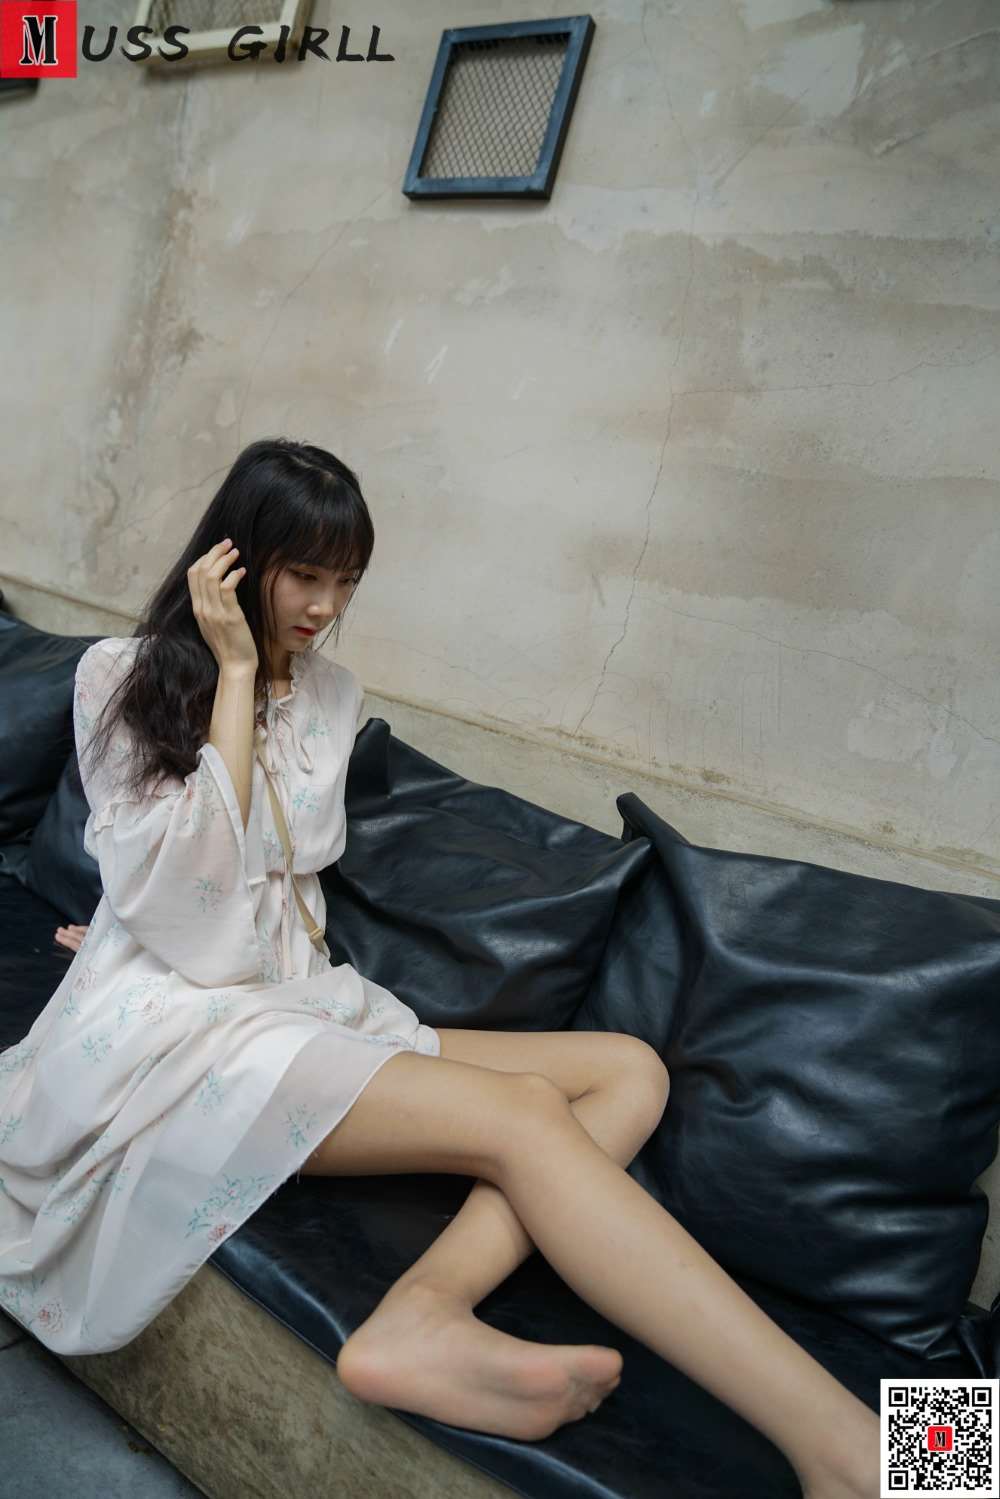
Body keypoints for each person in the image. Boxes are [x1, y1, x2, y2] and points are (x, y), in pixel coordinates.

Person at [8, 437, 877, 1497]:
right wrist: (234, 673)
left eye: (346, 581)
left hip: (296, 996)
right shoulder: (120, 673)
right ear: (233, 561)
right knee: (526, 1116)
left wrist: (156, 916)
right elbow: (192, 906)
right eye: (304, 574)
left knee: (630, 1069)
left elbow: (273, 896)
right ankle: (850, 1448)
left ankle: (425, 1310)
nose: (326, 607)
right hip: (191, 1018)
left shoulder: (332, 694)